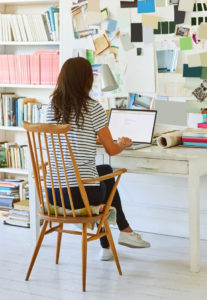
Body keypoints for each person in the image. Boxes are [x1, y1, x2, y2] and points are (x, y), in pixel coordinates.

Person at [46, 57, 150, 261]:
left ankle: (109, 246)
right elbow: (111, 150)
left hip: (53, 194)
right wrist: (123, 143)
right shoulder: (93, 108)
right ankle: (124, 231)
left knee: (102, 172)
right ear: (86, 80)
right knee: (107, 174)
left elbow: (66, 138)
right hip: (79, 196)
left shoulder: (51, 107)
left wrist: (89, 138)